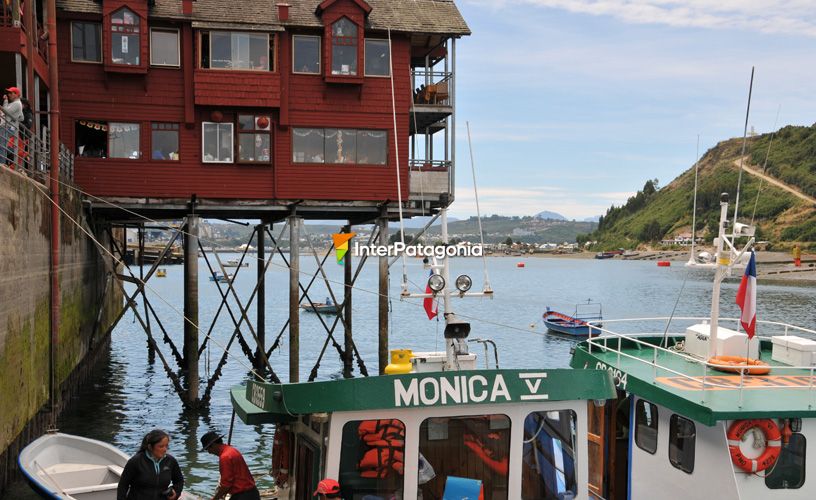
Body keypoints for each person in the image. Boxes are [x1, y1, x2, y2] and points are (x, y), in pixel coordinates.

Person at [117, 429, 184, 500]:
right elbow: (123, 486)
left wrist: (176, 492)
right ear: (150, 447)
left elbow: (179, 480)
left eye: (166, 446)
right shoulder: (135, 461)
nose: (165, 449)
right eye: (161, 446)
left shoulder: (170, 461)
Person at [201, 431, 260, 500]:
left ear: (213, 445)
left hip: (243, 496)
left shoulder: (225, 457)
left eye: (208, 449)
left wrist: (215, 498)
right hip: (252, 493)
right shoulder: (231, 450)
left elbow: (226, 484)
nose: (209, 452)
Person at [2, 86, 23, 165]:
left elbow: (5, 111)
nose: (9, 94)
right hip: (10, 127)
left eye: (11, 93)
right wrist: (14, 118)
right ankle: (14, 152)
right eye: (8, 93)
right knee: (2, 144)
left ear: (16, 94)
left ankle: (3, 162)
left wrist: (5, 101)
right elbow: (21, 117)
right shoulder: (17, 103)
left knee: (2, 145)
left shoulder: (17, 103)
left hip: (7, 127)